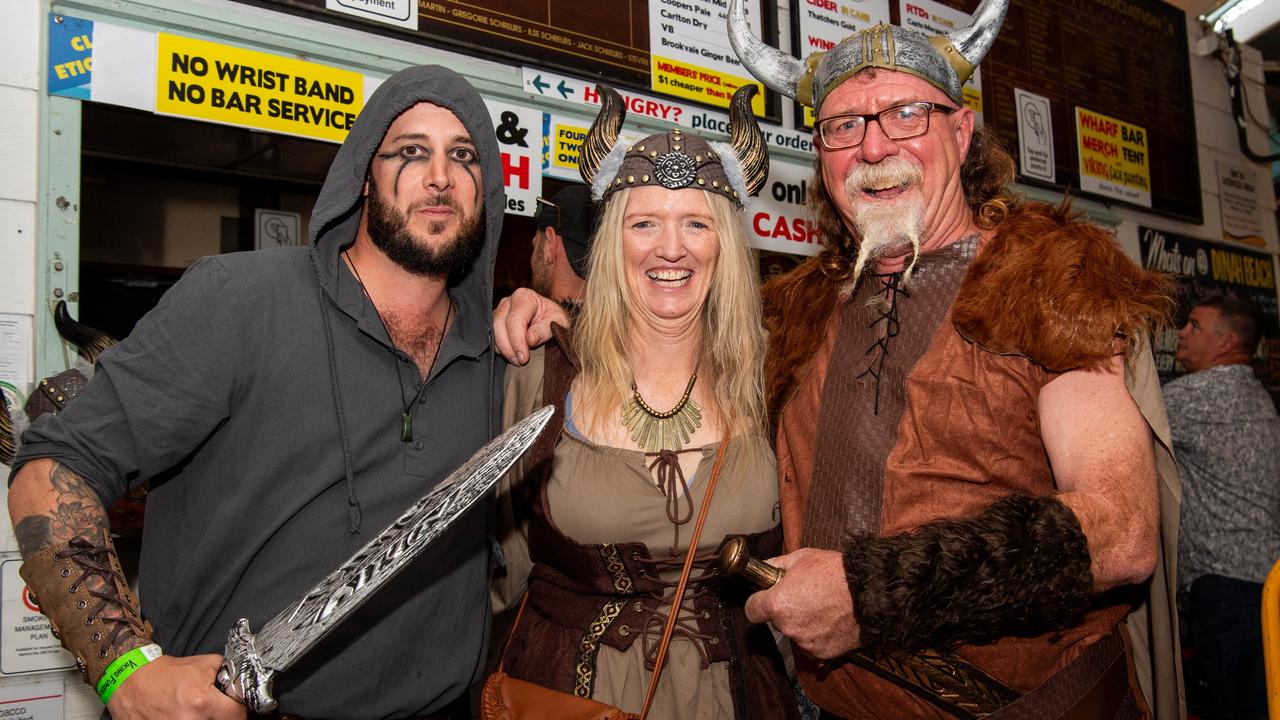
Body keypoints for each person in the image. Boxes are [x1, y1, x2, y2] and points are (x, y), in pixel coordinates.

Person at [493, 0, 1184, 715]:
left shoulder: (1048, 277)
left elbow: (1121, 530)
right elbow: (666, 327)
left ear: (961, 129)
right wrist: (557, 315)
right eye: (844, 126)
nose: (875, 148)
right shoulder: (798, 311)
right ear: (820, 153)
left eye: (905, 115)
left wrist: (869, 591)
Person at [8, 65, 506, 720]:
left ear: (486, 189)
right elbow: (50, 470)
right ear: (363, 174)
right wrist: (123, 667)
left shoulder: (494, 352)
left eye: (463, 156)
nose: (440, 175)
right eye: (411, 151)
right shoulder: (239, 302)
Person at [491, 84, 799, 719]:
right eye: (643, 222)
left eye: (695, 222)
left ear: (726, 247)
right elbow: (498, 572)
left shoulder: (777, 379)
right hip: (569, 695)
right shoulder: (541, 375)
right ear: (613, 242)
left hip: (741, 696)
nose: (669, 247)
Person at [1165, 295, 1280, 720]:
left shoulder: (1199, 393)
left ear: (1226, 342)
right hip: (1266, 583)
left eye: (1194, 325)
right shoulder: (1257, 395)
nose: (1181, 332)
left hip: (1229, 589)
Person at [530, 184, 599, 303]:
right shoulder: (625, 320)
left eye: (535, 246)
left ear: (549, 247)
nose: (531, 259)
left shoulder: (526, 319)